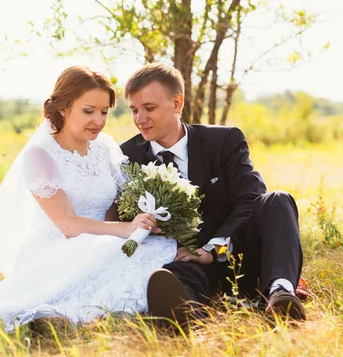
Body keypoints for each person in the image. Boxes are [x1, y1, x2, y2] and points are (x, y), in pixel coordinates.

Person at [0, 66, 177, 334]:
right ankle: (56, 316)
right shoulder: (41, 154)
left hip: (104, 241)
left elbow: (114, 207)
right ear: (64, 108)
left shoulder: (105, 148)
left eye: (104, 112)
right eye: (88, 111)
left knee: (153, 248)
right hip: (58, 246)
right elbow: (67, 225)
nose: (98, 121)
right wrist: (125, 231)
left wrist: (135, 227)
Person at [120, 63, 306, 324]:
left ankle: (281, 293)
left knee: (277, 200)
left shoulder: (224, 140)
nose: (140, 119)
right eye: (134, 110)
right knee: (173, 276)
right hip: (183, 261)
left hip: (237, 252)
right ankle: (182, 314)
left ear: (177, 102)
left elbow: (250, 198)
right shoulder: (127, 157)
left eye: (149, 108)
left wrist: (213, 248)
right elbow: (121, 214)